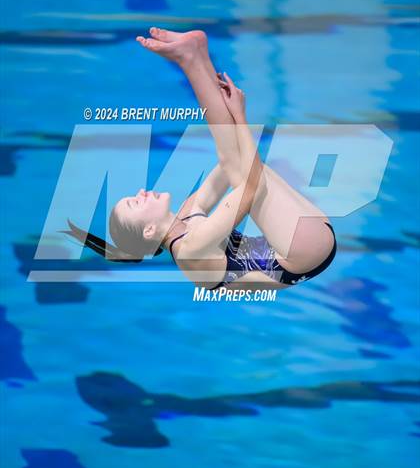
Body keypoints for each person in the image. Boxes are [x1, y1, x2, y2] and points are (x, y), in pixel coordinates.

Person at [64, 28, 336, 291]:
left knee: (233, 158)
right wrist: (240, 117)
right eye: (136, 202)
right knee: (237, 164)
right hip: (302, 253)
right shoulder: (191, 251)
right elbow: (252, 188)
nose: (142, 191)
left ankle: (195, 56)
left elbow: (228, 164)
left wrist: (219, 98)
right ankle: (190, 58)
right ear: (149, 231)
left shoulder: (185, 217)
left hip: (304, 240)